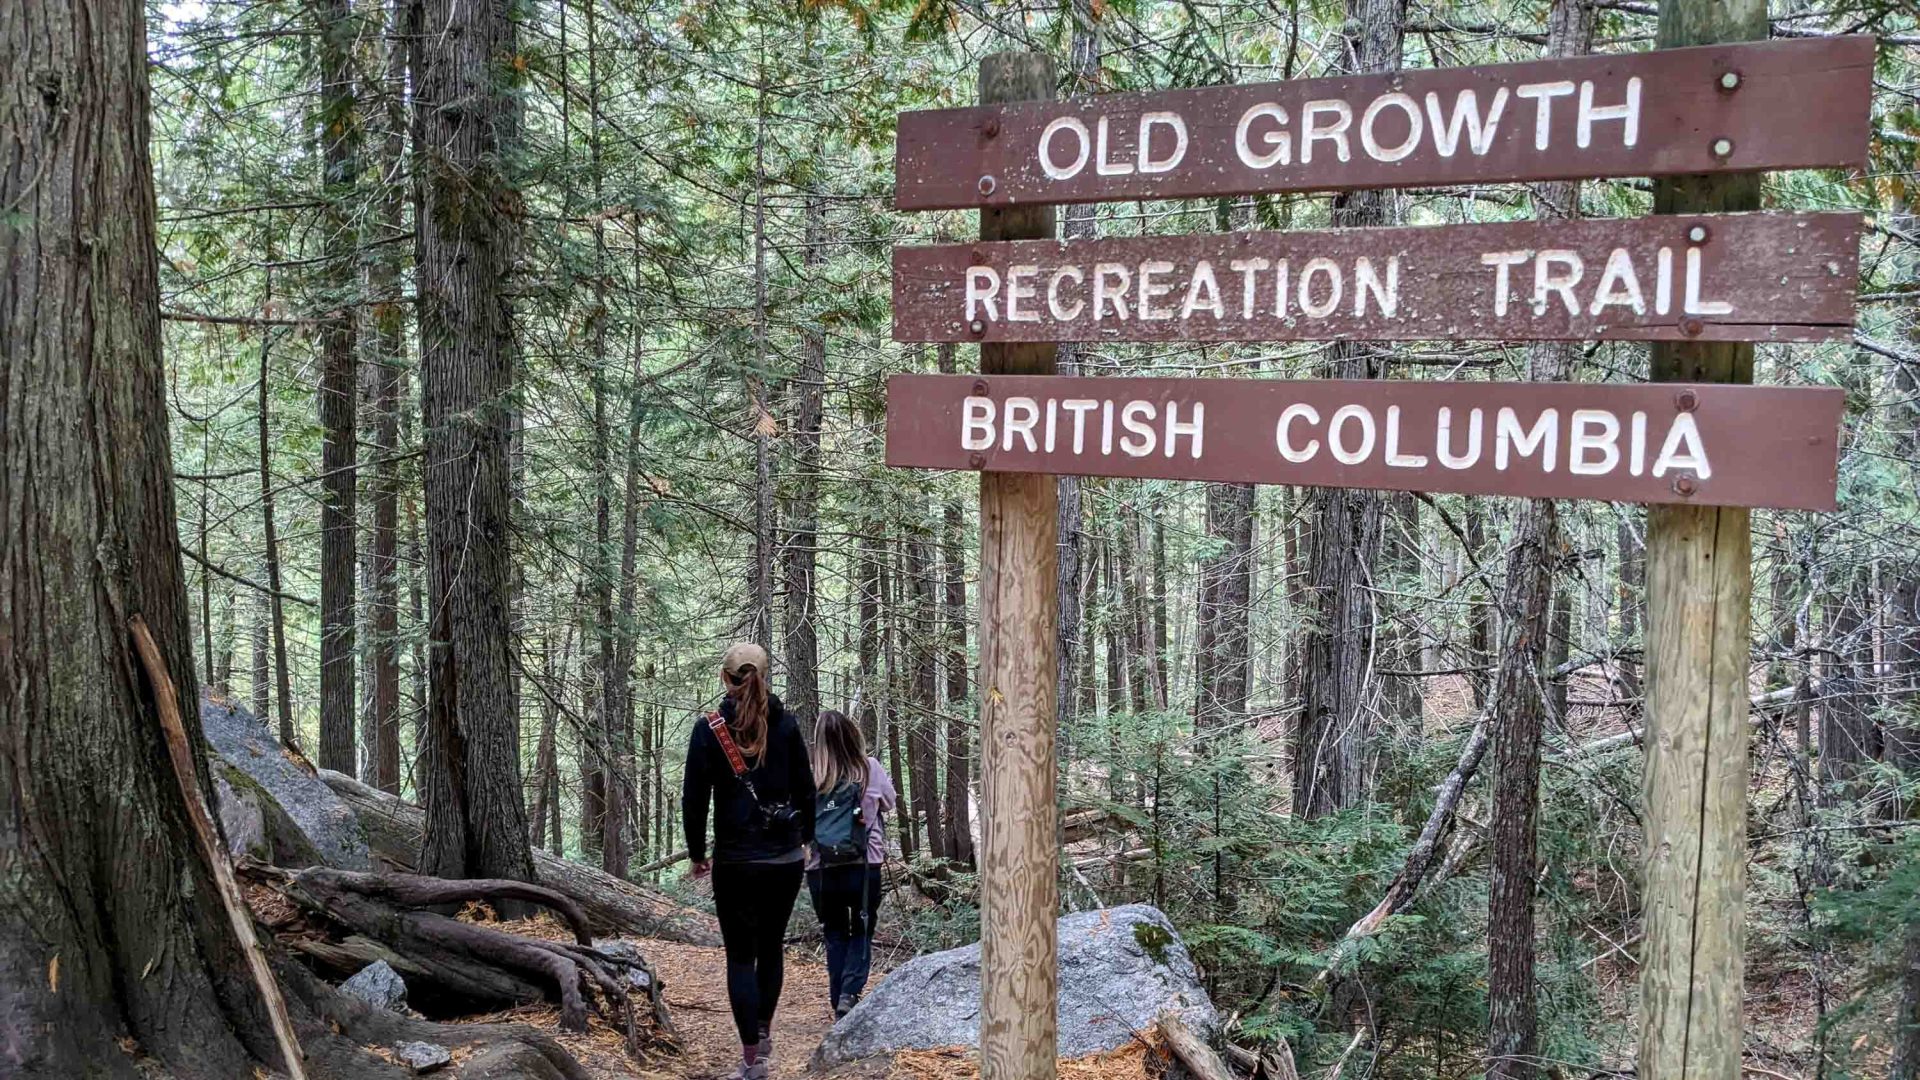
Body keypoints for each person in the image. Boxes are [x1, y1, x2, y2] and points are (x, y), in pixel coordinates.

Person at [683, 643, 815, 1080]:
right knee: (771, 945)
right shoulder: (787, 725)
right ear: (766, 675)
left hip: (736, 860)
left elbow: (694, 797)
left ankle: (751, 1057)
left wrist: (698, 854)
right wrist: (808, 838)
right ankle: (763, 1028)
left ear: (726, 678)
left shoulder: (709, 730)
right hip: (784, 858)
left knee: (741, 956)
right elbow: (805, 787)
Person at [804, 709, 896, 1019]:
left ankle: (838, 1000)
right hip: (864, 866)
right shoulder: (870, 769)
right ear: (852, 735)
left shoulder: (810, 776)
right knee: (861, 929)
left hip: (820, 869)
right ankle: (848, 994)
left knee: (834, 933)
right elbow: (890, 802)